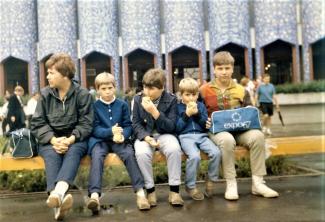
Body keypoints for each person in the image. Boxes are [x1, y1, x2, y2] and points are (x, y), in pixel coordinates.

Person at [200, 51, 279, 200]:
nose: (224, 72)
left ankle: (258, 183)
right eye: (220, 68)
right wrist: (204, 121)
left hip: (240, 129)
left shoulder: (241, 90)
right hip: (217, 131)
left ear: (232, 68)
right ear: (214, 70)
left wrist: (251, 111)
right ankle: (231, 183)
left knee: (257, 136)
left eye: (227, 68)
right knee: (227, 140)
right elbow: (197, 113)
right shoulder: (203, 90)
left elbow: (251, 111)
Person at [31, 53, 94, 220]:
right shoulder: (45, 95)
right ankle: (58, 201)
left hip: (75, 140)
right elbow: (37, 123)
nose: (47, 76)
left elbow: (86, 124)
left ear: (64, 74)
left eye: (51, 72)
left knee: (74, 152)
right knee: (51, 154)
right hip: (50, 140)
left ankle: (57, 194)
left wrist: (70, 139)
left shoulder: (83, 95)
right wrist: (53, 140)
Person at [87, 72, 150, 213]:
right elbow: (94, 129)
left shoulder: (122, 104)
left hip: (119, 140)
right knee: (96, 157)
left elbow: (128, 125)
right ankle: (94, 196)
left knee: (128, 154)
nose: (107, 91)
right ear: (97, 90)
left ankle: (140, 193)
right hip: (100, 141)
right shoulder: (94, 106)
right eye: (103, 89)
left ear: (114, 87)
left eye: (110, 87)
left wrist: (122, 135)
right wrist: (110, 132)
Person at [132, 68, 184, 207]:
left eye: (151, 88)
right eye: (144, 87)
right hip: (146, 135)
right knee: (141, 153)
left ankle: (174, 191)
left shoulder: (171, 99)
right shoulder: (137, 99)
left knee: (174, 149)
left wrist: (155, 112)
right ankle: (150, 191)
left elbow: (171, 126)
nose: (147, 92)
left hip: (165, 134)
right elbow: (136, 124)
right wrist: (145, 137)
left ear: (162, 88)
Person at [176, 78, 221, 200]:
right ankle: (190, 186)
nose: (191, 98)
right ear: (181, 95)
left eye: (194, 94)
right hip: (185, 137)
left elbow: (204, 124)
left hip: (202, 136)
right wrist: (187, 115)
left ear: (197, 95)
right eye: (187, 95)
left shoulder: (200, 106)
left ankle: (211, 179)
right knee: (194, 156)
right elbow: (177, 128)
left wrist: (196, 114)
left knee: (216, 152)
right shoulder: (178, 107)